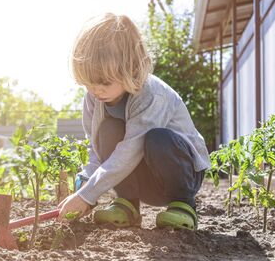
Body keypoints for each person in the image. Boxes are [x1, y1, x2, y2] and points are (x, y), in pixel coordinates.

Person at [57, 13, 210, 231]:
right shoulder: (94, 98)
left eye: (104, 82)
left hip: (182, 172)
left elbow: (130, 150)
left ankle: (183, 205)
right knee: (107, 130)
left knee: (158, 138)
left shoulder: (151, 96)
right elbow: (96, 148)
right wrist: (85, 183)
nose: (96, 90)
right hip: (141, 177)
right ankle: (127, 204)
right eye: (88, 83)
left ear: (131, 68)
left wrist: (88, 195)